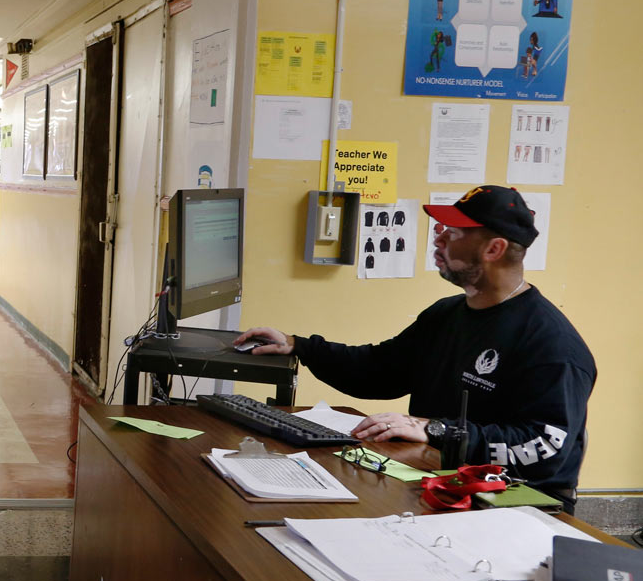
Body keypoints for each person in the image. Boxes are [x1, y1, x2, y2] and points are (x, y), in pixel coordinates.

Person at [235, 185, 595, 511]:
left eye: (451, 233)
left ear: (494, 249)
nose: (438, 240)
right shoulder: (447, 315)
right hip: (440, 481)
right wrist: (300, 346)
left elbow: (546, 448)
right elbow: (378, 371)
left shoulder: (553, 345)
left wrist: (437, 430)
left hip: (517, 505)